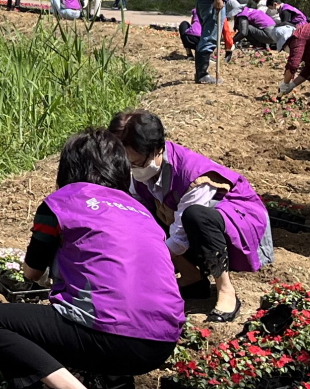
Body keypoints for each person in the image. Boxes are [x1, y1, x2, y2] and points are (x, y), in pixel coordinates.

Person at [0, 130, 185, 389]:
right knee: (109, 301)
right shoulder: (142, 212)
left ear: (69, 167)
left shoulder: (62, 203)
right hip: (160, 344)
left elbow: (31, 273)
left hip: (111, 336)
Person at [107, 110, 269, 321]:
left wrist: (146, 264)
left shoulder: (192, 174)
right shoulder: (140, 172)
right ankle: (192, 277)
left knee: (196, 217)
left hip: (238, 221)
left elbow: (181, 236)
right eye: (128, 163)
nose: (133, 169)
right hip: (178, 220)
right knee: (138, 214)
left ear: (157, 150)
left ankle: (226, 290)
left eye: (137, 163)